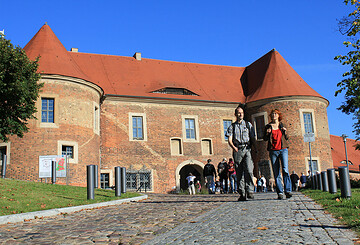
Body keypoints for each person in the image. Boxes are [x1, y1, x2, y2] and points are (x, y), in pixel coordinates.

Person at [226, 104, 256, 201]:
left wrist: (254, 148)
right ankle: (242, 193)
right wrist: (233, 147)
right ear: (235, 114)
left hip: (247, 148)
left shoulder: (248, 125)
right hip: (237, 149)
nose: (240, 115)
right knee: (239, 172)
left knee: (249, 169)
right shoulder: (232, 127)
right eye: (239, 113)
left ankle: (250, 190)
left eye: (242, 113)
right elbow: (229, 139)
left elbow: (253, 138)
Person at [264, 109, 292, 200]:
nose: (274, 115)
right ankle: (280, 192)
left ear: (279, 115)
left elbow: (287, 138)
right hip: (273, 151)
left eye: (275, 114)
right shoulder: (268, 126)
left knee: (285, 170)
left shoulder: (282, 125)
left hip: (283, 149)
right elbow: (264, 138)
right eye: (272, 114)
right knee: (276, 172)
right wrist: (267, 133)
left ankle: (288, 190)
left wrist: (285, 131)